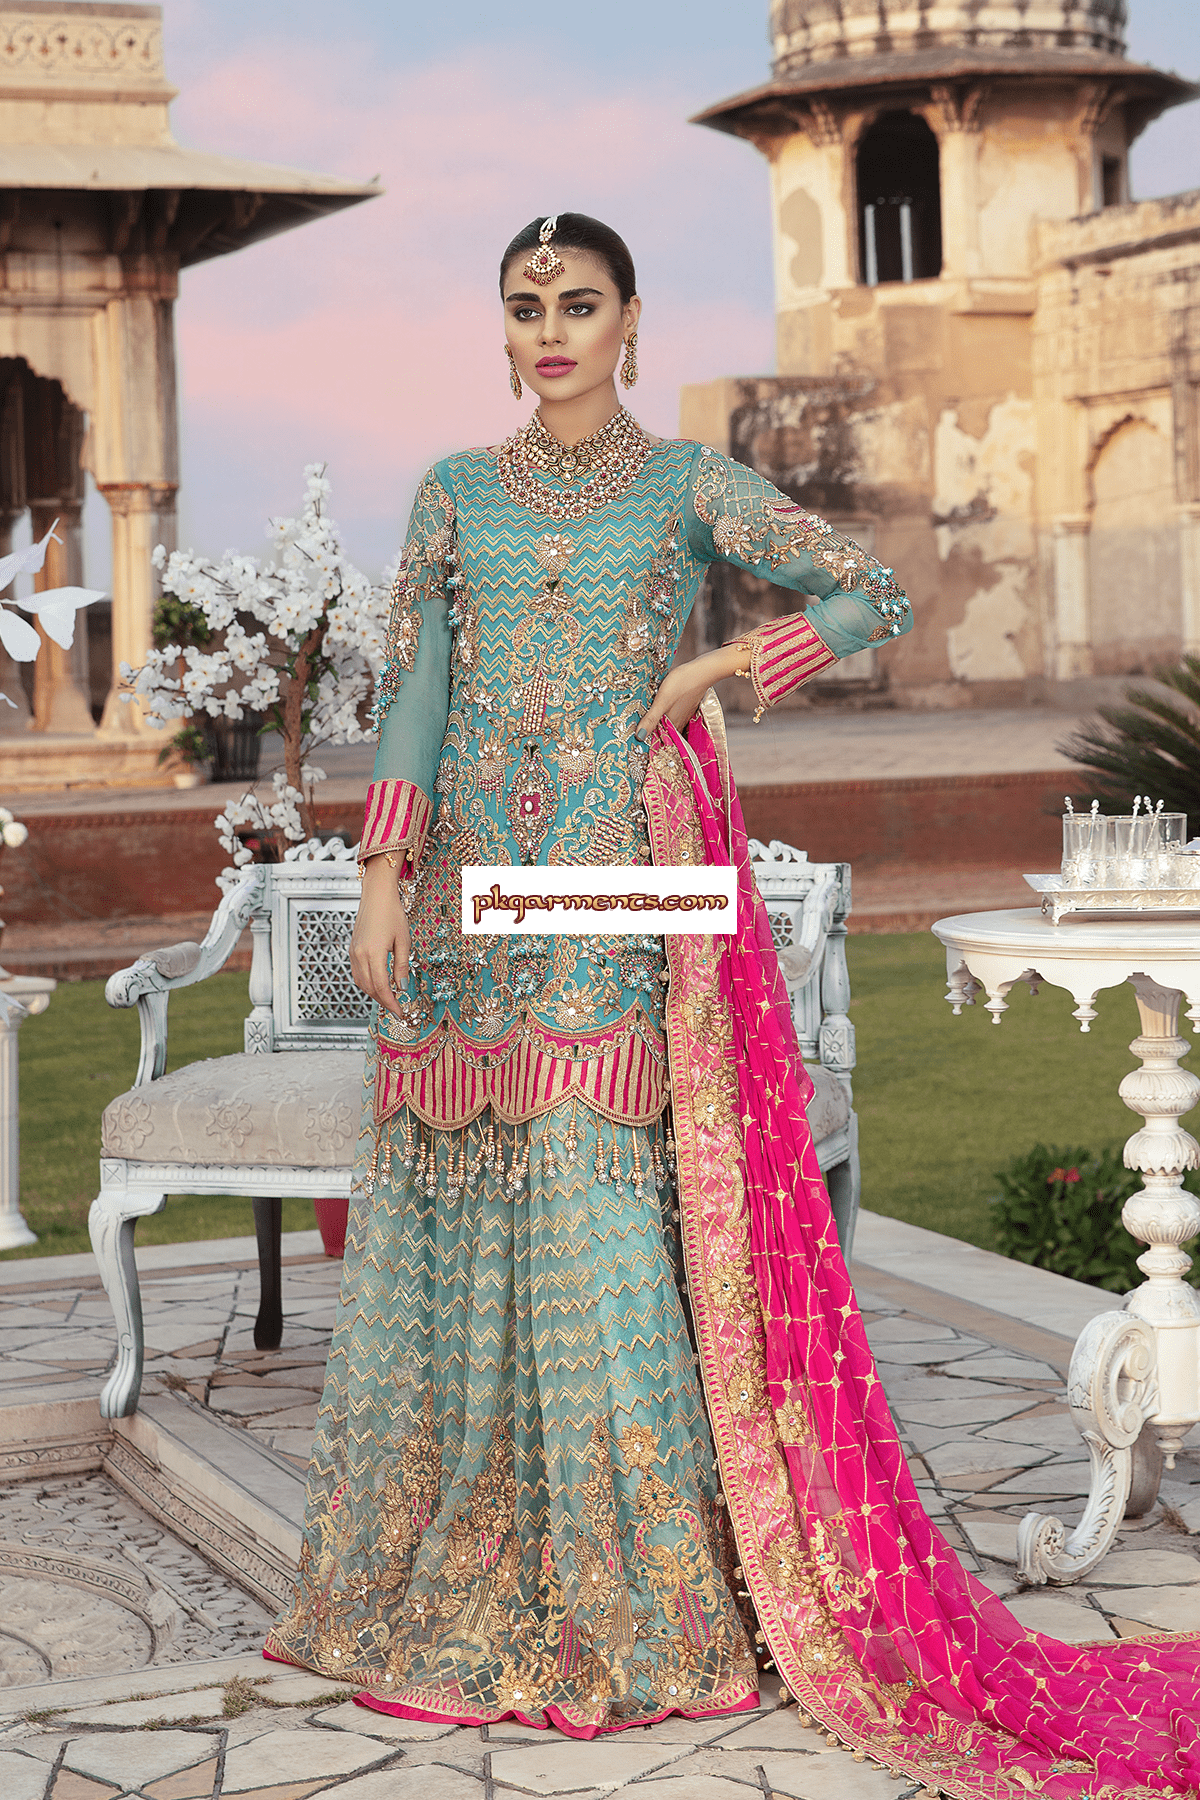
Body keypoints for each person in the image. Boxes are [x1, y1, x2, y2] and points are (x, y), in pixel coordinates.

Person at [266, 216, 1200, 1798]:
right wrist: (378, 879)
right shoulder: (452, 490)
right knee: (473, 1206)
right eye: (524, 305)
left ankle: (638, 1594)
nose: (551, 328)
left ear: (632, 318)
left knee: (597, 1211)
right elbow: (415, 693)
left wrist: (715, 675)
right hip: (460, 897)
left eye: (579, 303)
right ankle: (476, 1551)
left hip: (621, 895)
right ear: (501, 327)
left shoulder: (688, 484)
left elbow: (870, 592)